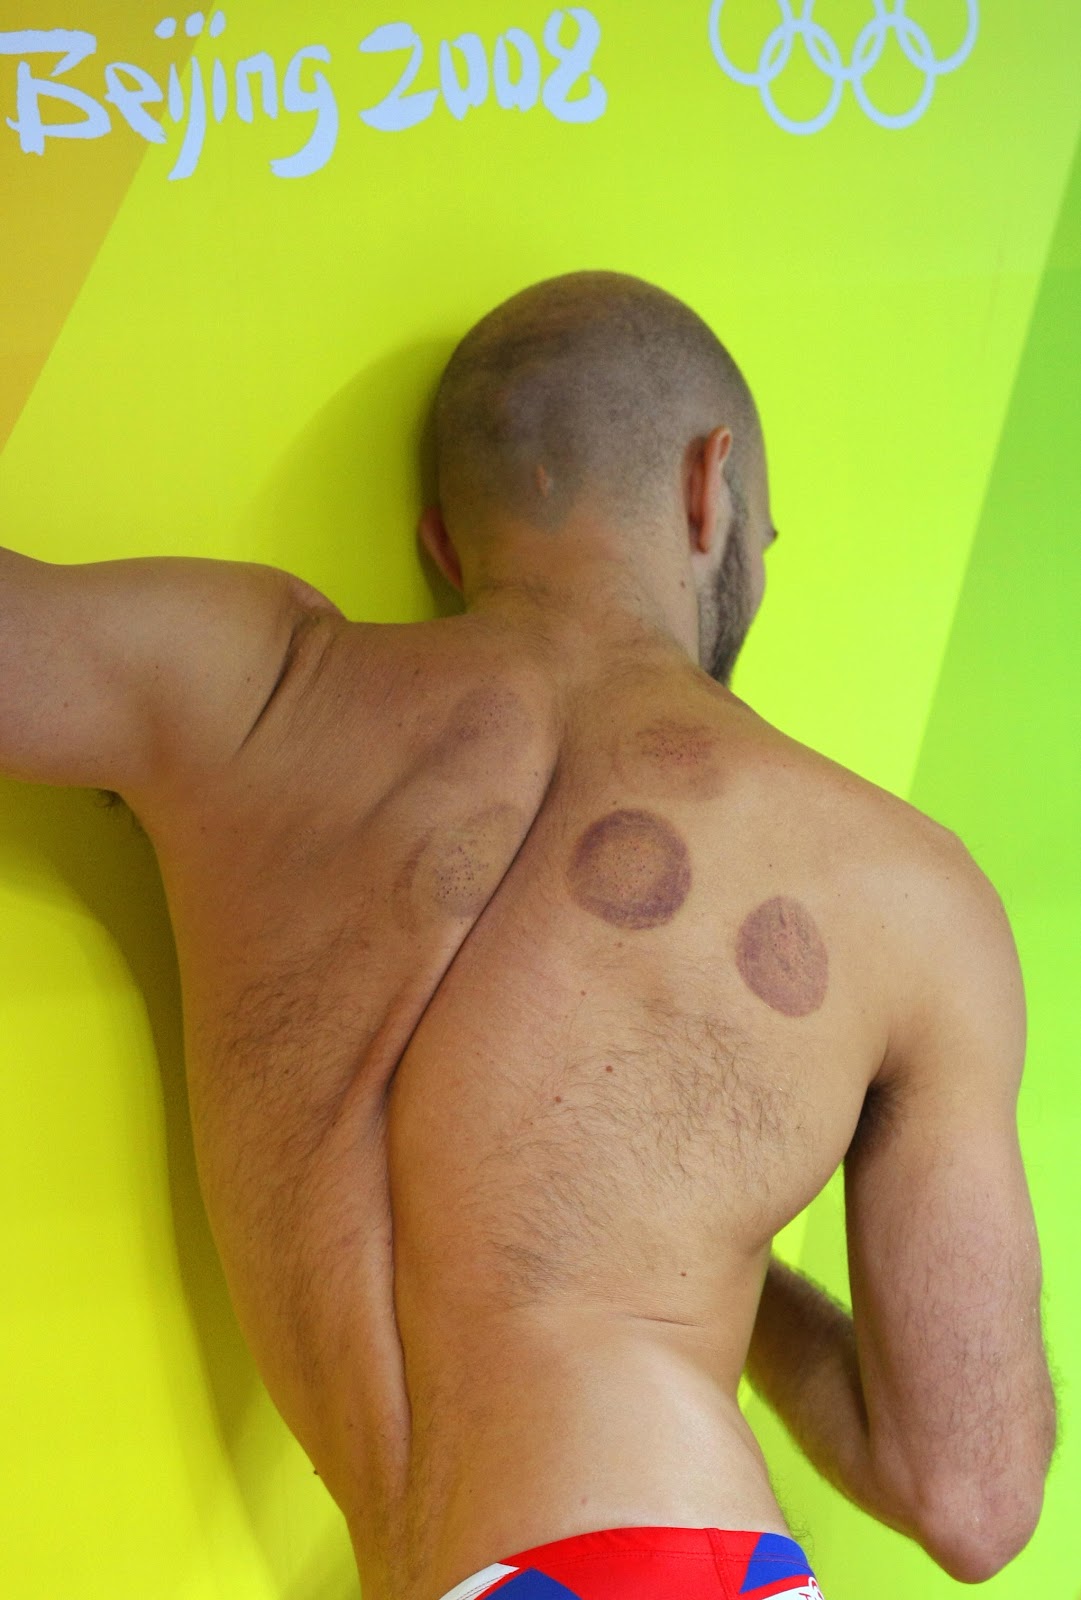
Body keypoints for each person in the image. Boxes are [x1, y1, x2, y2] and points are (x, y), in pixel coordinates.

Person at [0, 269, 1057, 1600]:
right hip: (655, 1557)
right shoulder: (898, 887)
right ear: (707, 489)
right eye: (767, 535)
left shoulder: (251, 692)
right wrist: (714, 1228)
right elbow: (968, 1496)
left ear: (443, 544)